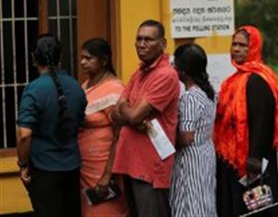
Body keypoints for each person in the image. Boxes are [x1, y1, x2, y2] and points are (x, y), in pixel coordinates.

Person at [214, 25, 278, 217]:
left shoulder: (257, 80)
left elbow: (262, 123)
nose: (236, 49)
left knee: (255, 209)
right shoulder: (234, 80)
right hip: (234, 159)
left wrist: (254, 157)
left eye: (243, 45)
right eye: (234, 44)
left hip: (252, 161)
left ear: (254, 48)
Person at [111, 20, 180, 217]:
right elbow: (115, 113)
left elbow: (131, 115)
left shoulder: (165, 75)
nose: (141, 44)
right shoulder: (140, 72)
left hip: (151, 166)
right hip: (131, 162)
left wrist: (128, 111)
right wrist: (129, 114)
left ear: (163, 44)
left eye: (148, 40)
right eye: (139, 39)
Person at [16, 34, 87, 217]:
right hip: (72, 167)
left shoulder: (34, 89)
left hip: (43, 169)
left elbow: (24, 135)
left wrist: (23, 165)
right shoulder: (76, 87)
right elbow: (80, 123)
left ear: (34, 58)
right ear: (60, 57)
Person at [78, 38, 128, 217]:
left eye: (89, 58)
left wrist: (108, 174)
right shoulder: (86, 85)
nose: (83, 62)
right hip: (85, 168)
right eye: (82, 57)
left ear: (104, 61)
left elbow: (120, 134)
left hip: (104, 168)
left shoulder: (115, 89)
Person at [170, 43, 217, 217]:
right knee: (203, 202)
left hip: (190, 159)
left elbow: (186, 137)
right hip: (205, 153)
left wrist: (166, 139)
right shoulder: (208, 92)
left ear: (183, 71)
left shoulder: (190, 97)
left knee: (189, 203)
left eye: (175, 64)